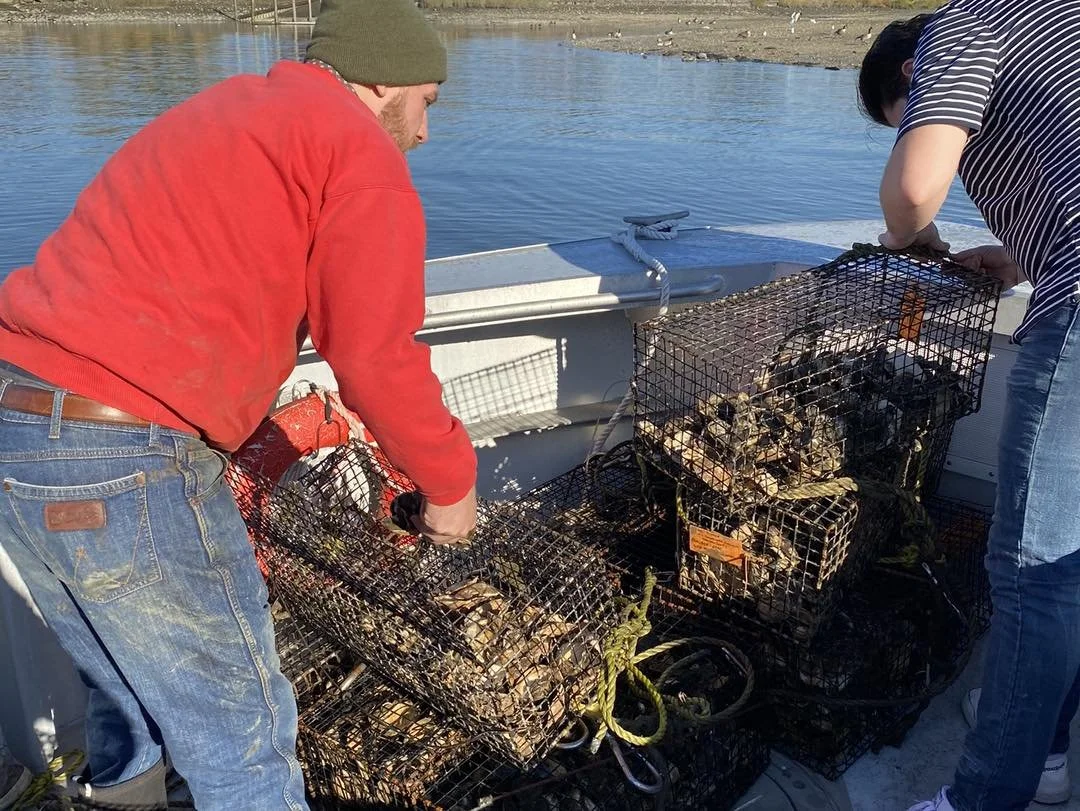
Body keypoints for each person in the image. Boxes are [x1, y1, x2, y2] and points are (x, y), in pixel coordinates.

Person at [0, 0, 478, 807]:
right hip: (126, 452)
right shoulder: (356, 149)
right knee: (243, 744)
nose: (426, 130)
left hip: (19, 427)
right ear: (383, 79)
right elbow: (372, 352)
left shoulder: (225, 109)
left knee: (130, 707)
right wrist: (452, 483)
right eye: (427, 101)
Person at [858, 2, 1080, 810]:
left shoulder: (959, 29)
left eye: (903, 115)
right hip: (1065, 265)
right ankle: (1046, 745)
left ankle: (985, 796)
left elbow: (914, 187)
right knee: (1075, 559)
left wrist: (906, 235)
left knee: (1032, 571)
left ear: (913, 79)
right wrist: (1022, 257)